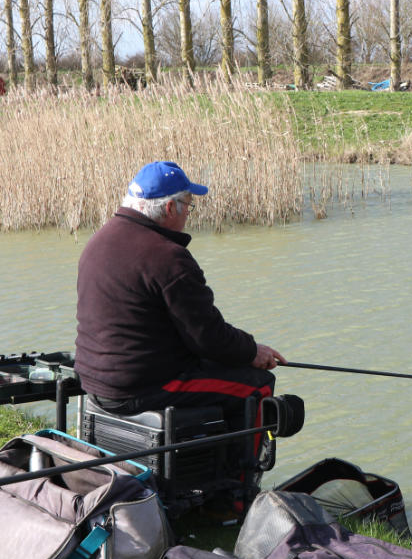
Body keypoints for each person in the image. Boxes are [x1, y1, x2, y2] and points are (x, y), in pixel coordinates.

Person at [75, 160, 285, 429]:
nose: (189, 213)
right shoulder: (167, 257)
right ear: (171, 207)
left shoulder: (99, 240)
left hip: (94, 381)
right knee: (258, 386)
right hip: (141, 388)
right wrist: (253, 351)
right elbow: (208, 337)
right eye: (188, 205)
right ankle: (240, 471)